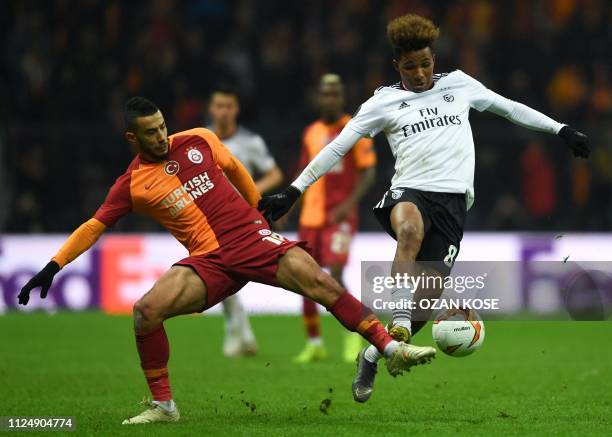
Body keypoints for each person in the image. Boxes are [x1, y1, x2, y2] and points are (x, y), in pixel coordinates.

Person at [18, 97, 436, 425]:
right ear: (133, 138)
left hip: (251, 239)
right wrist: (53, 266)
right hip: (208, 262)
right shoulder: (132, 185)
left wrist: (257, 208)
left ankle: (390, 346)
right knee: (145, 312)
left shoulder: (198, 139)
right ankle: (164, 406)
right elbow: (94, 225)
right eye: (151, 132)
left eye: (163, 126)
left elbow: (235, 167)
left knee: (323, 286)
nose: (162, 136)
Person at [258, 13, 590, 403]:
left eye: (426, 64)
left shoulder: (460, 85)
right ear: (397, 65)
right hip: (410, 192)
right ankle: (396, 322)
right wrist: (295, 190)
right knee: (410, 231)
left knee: (426, 304)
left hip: (453, 205)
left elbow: (510, 108)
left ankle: (371, 354)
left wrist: (561, 130)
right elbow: (337, 146)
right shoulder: (382, 102)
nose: (419, 73)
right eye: (411, 66)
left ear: (435, 59)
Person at [293, 74, 376, 363]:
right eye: (325, 93)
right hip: (310, 218)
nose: (330, 98)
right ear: (319, 98)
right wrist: (288, 209)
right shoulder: (310, 132)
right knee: (303, 277)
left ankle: (352, 336)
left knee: (336, 275)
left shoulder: (354, 130)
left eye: (335, 94)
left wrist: (348, 205)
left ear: (342, 97)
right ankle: (314, 343)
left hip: (339, 217)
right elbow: (303, 175)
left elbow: (368, 172)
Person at [208, 86, 284, 357]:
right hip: (209, 219)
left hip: (243, 219)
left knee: (232, 275)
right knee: (222, 275)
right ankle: (239, 333)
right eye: (219, 106)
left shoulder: (250, 142)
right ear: (212, 109)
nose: (224, 111)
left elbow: (275, 174)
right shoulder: (201, 142)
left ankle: (240, 333)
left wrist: (249, 190)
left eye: (229, 106)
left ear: (236, 109)